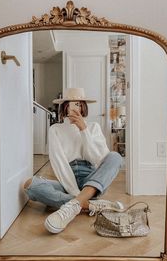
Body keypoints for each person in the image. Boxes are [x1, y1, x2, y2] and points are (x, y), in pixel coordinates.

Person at [23, 88, 123, 234]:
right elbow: (60, 165)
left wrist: (84, 130)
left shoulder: (93, 127)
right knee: (31, 185)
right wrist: (77, 194)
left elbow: (98, 159)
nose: (78, 107)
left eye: (80, 104)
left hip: (92, 180)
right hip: (67, 179)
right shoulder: (55, 129)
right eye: (73, 104)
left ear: (84, 106)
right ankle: (90, 205)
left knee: (115, 157)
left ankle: (74, 205)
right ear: (65, 106)